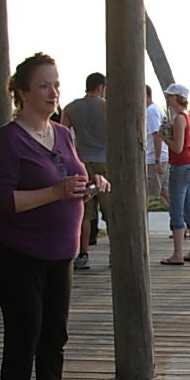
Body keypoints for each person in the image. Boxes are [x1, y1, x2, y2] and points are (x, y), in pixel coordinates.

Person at [0, 52, 110, 380]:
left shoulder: (63, 134)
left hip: (61, 252)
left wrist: (89, 187)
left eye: (56, 84)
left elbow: (66, 182)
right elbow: (2, 202)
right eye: (43, 85)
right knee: (25, 334)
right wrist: (56, 193)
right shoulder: (7, 139)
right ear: (21, 92)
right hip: (18, 252)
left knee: (54, 334)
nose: (53, 93)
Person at [61, 71, 107, 270]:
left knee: (85, 212)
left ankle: (83, 253)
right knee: (111, 210)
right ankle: (116, 254)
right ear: (100, 87)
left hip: (82, 161)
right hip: (105, 161)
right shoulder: (107, 106)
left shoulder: (71, 107)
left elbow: (63, 136)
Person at [160, 83, 190, 265]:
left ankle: (177, 254)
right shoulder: (188, 117)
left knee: (177, 211)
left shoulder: (178, 119)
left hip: (181, 165)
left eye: (170, 96)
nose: (167, 99)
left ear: (177, 98)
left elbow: (177, 147)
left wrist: (162, 137)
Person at [145, 84, 169, 205]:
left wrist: (157, 160)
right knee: (164, 190)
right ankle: (180, 215)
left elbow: (157, 136)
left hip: (153, 157)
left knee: (146, 192)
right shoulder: (157, 109)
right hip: (160, 156)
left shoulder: (151, 112)